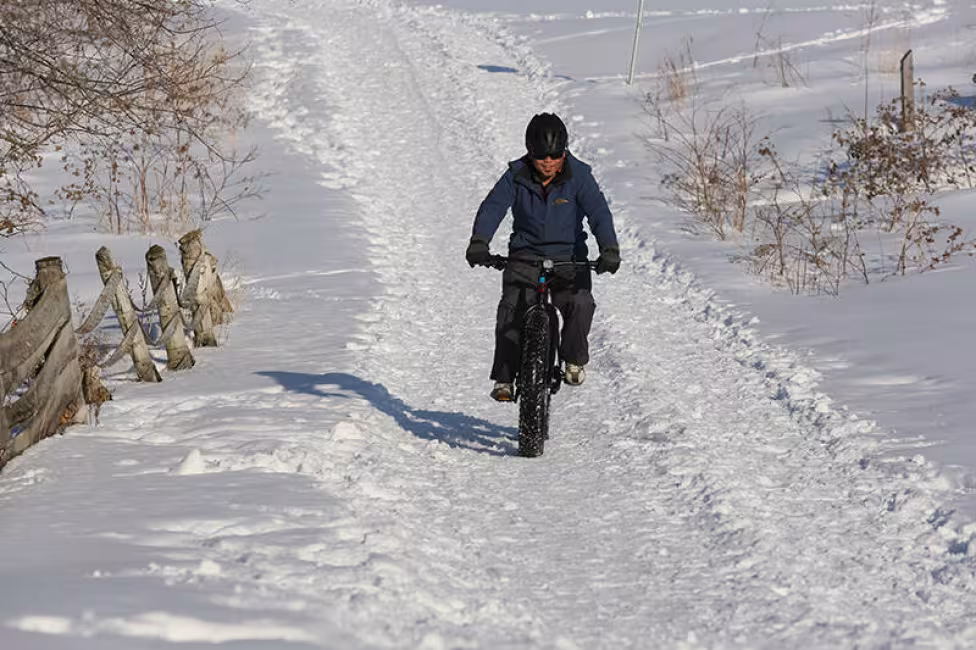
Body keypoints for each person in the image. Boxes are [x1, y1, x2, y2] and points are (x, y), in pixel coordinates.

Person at [466, 112, 620, 402]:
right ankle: (504, 378)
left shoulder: (580, 176)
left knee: (581, 302)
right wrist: (479, 241)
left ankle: (573, 358)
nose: (548, 163)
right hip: (525, 257)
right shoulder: (516, 175)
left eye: (554, 156)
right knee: (511, 311)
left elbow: (599, 213)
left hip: (568, 258)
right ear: (530, 153)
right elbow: (493, 207)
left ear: (563, 152)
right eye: (541, 157)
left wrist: (609, 249)